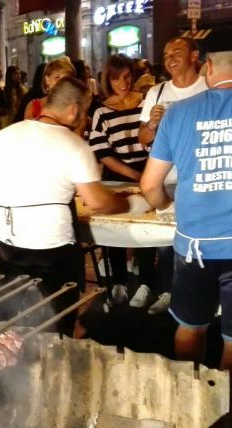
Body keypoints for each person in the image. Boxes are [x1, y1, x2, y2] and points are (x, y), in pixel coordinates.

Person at [0, 77, 150, 335]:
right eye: (85, 110)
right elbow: (96, 201)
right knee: (57, 316)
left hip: (8, 242)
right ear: (74, 109)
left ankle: (6, 355)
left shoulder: (7, 134)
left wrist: (7, 188)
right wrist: (132, 203)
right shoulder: (75, 146)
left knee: (7, 310)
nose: (84, 117)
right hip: (52, 248)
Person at [139, 49, 232, 369]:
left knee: (191, 327)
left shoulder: (178, 113)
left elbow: (150, 185)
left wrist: (169, 207)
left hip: (195, 245)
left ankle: (192, 399)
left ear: (207, 66)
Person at [138, 36, 208, 314]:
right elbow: (143, 137)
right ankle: (167, 290)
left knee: (195, 236)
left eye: (177, 51)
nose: (170, 58)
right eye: (166, 53)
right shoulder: (156, 92)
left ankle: (194, 293)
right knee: (165, 241)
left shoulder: (209, 88)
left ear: (194, 55)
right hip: (165, 177)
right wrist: (153, 124)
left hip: (198, 177)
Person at [89, 54, 157, 308]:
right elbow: (103, 153)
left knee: (145, 230)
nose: (122, 82)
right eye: (116, 78)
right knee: (115, 230)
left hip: (148, 169)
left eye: (127, 76)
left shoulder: (145, 103)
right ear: (108, 79)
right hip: (118, 175)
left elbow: (155, 139)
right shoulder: (102, 111)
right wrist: (135, 176)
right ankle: (118, 282)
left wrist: (147, 174)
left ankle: (146, 283)